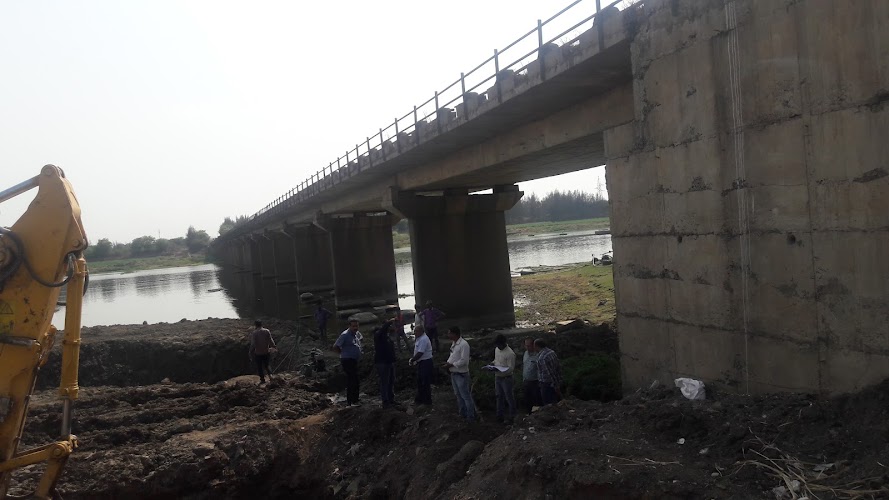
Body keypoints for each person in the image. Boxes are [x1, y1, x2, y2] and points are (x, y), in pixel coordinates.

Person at [443, 326, 476, 422]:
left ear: (454, 334)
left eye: (449, 333)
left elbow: (464, 361)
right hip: (454, 373)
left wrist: (451, 365)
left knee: (465, 396)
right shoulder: (454, 344)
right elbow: (453, 356)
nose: (448, 335)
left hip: (461, 374)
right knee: (458, 395)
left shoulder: (464, 344)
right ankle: (463, 414)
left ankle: (470, 417)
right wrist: (448, 364)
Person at [333, 320, 363, 406]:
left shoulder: (356, 334)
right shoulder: (345, 335)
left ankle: (355, 399)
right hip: (347, 360)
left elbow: (360, 341)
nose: (355, 328)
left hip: (354, 360)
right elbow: (336, 346)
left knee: (356, 380)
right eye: (353, 326)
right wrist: (343, 354)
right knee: (352, 380)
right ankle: (351, 401)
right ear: (349, 326)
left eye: (356, 326)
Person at [491, 334, 517, 424]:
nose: (498, 346)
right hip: (497, 377)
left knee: (509, 397)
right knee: (499, 397)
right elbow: (496, 360)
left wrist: (501, 370)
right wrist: (492, 364)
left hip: (506, 378)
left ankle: (512, 416)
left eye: (499, 345)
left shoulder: (510, 353)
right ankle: (500, 416)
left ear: (503, 343)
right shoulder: (497, 349)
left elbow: (511, 368)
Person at [408, 325, 434, 405]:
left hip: (426, 362)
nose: (414, 333)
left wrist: (412, 360)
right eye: (414, 331)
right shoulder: (419, 338)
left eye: (416, 331)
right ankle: (420, 399)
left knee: (425, 382)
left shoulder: (423, 339)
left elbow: (420, 353)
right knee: (420, 382)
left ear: (421, 331)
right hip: (421, 362)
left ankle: (427, 401)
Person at [374, 320, 397, 407]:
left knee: (391, 381)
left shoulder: (387, 337)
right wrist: (390, 321)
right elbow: (383, 329)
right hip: (382, 362)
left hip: (389, 362)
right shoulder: (378, 335)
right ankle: (385, 401)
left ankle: (391, 399)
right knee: (384, 382)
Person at [534, 338, 563, 405]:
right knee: (555, 402)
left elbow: (549, 373)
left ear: (537, 346)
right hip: (555, 381)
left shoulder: (542, 358)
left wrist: (556, 386)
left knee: (548, 404)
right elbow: (558, 367)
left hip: (547, 384)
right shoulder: (551, 352)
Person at [249, 320, 276, 385]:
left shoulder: (255, 333)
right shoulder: (267, 331)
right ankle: (271, 377)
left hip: (258, 353)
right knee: (267, 365)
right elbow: (270, 340)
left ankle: (262, 380)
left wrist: (250, 352)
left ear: (255, 325)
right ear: (261, 324)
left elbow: (253, 344)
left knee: (259, 367)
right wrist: (274, 346)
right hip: (266, 351)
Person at [522, 337, 541, 413]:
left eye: (528, 346)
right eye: (525, 345)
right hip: (526, 381)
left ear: (533, 345)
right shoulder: (525, 353)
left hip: (535, 382)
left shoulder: (538, 355)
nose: (527, 347)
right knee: (527, 401)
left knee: (536, 401)